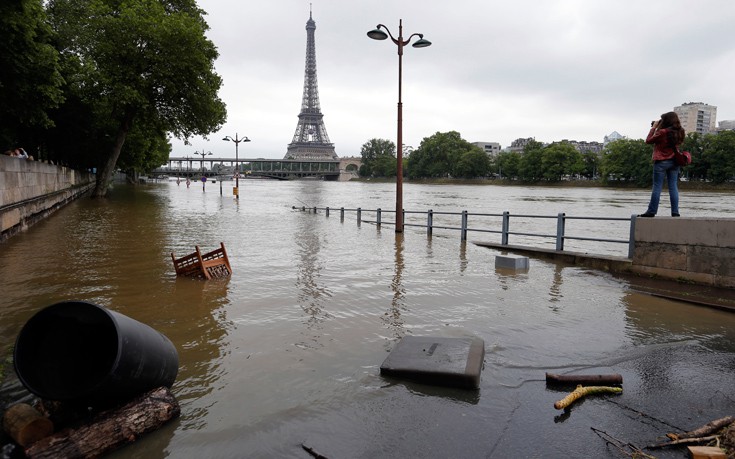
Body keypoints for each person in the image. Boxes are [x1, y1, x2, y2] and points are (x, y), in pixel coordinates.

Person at [639, 111, 685, 217]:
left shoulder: (662, 132)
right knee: (673, 187)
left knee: (657, 187)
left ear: (666, 121)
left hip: (661, 162)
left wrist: (654, 128)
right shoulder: (681, 131)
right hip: (675, 161)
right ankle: (675, 212)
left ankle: (651, 211)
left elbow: (648, 140)